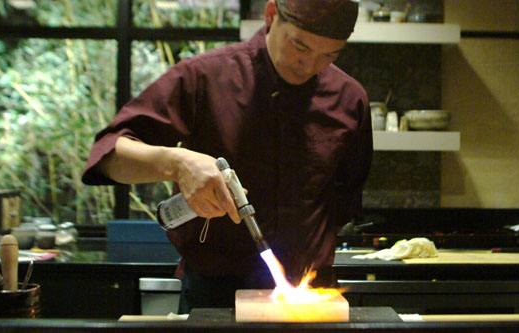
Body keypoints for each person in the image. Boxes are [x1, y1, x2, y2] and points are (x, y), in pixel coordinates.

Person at [82, 0, 372, 313]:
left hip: (311, 293)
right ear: (271, 15)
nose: (309, 64)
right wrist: (178, 164)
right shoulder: (206, 76)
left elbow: (344, 200)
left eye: (329, 55)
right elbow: (109, 156)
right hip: (215, 291)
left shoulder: (349, 99)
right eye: (299, 46)